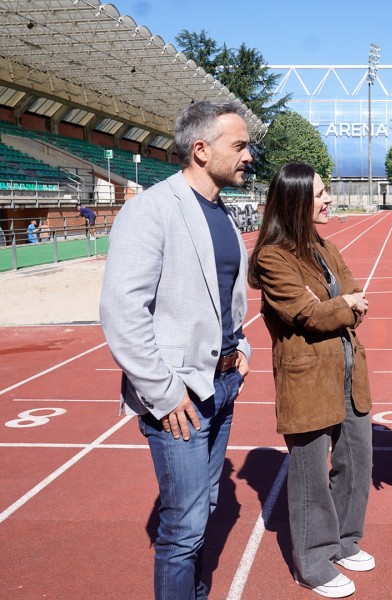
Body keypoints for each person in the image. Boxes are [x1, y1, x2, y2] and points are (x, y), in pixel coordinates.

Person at [99, 101, 253, 599]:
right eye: (240, 146)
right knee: (183, 528)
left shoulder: (224, 216)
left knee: (203, 512)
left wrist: (242, 346)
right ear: (202, 150)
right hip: (179, 397)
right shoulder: (152, 209)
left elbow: (226, 298)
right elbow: (123, 313)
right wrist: (164, 394)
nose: (249, 155)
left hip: (223, 384)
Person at [248, 163, 373, 599]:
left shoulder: (323, 245)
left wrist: (343, 302)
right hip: (307, 378)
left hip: (347, 368)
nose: (329, 198)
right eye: (320, 193)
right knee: (310, 478)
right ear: (297, 200)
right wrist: (346, 304)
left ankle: (344, 541)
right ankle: (313, 563)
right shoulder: (272, 257)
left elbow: (354, 292)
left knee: (356, 461)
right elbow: (311, 315)